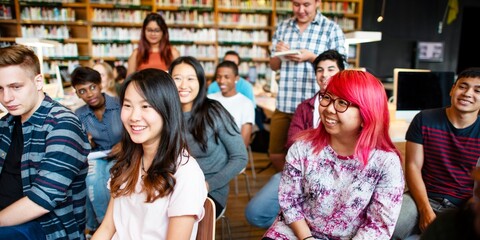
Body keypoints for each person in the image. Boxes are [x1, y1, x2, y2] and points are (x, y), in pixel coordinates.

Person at [262, 70, 405, 239]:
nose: (329, 108)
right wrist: (307, 238)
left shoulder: (386, 163)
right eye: (327, 97)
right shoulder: (302, 148)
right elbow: (290, 201)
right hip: (298, 232)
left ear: (367, 113)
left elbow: (377, 227)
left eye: (342, 102)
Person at [91, 69, 207, 239]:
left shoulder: (186, 172)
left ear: (167, 111)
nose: (134, 116)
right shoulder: (128, 161)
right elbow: (108, 228)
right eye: (128, 106)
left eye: (145, 106)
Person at [245, 49, 346, 229]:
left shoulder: (352, 107)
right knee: (255, 214)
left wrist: (310, 143)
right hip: (299, 171)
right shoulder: (304, 107)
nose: (324, 75)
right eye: (320, 70)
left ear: (341, 73)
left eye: (331, 69)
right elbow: (293, 142)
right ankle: (303, 228)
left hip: (337, 178)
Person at [0, 45, 90, 239]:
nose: (6, 98)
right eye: (0, 89)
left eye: (16, 87)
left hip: (46, 228)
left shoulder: (63, 124)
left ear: (38, 81)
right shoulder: (6, 122)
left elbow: (43, 199)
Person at [392, 67, 480, 239]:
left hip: (463, 206)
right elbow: (413, 167)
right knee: (390, 225)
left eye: (478, 90)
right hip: (422, 198)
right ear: (452, 89)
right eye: (463, 86)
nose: (468, 93)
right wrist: (425, 209)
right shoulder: (424, 119)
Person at [268, 0, 346, 172]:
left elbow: (342, 68)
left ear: (317, 2)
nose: (301, 10)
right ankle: (291, 186)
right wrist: (279, 54)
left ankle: (301, 188)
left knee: (312, 154)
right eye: (296, 4)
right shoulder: (282, 27)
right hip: (285, 103)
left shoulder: (331, 29)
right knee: (275, 154)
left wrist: (312, 57)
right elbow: (273, 65)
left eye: (306, 4)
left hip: (315, 107)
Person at [169, 56, 248, 217]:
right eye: (177, 78)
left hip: (210, 192)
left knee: (179, 216)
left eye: (190, 79)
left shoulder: (214, 111)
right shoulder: (165, 114)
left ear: (200, 82)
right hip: (173, 188)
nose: (183, 85)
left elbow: (240, 157)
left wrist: (206, 185)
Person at [71, 66, 123, 235]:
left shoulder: (120, 105)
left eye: (92, 87)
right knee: (90, 178)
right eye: (82, 91)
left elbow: (135, 130)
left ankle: (105, 227)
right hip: (98, 155)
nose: (89, 94)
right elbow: (83, 147)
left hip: (123, 153)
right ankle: (103, 226)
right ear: (77, 94)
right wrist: (88, 143)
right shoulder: (79, 115)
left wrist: (125, 144)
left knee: (110, 175)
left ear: (100, 85)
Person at [208, 60, 255, 147]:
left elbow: (243, 144)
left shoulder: (246, 104)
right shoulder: (209, 99)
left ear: (236, 78)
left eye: (227, 77)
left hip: (232, 151)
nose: (221, 81)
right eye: (218, 77)